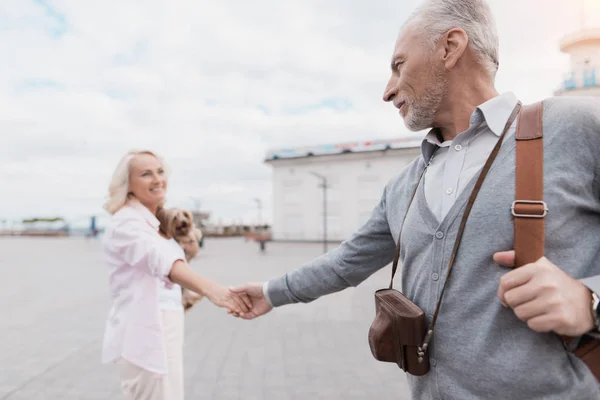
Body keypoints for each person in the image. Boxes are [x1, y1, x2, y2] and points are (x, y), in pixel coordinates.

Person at [230, 0, 600, 398]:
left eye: (398, 65)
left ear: (450, 47)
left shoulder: (575, 127)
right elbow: (344, 263)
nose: (387, 91)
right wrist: (270, 292)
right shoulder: (403, 184)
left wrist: (590, 302)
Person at [101, 150, 252, 400]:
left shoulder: (151, 221)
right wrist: (213, 290)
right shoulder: (126, 223)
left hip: (164, 320)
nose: (158, 179)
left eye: (160, 171)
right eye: (146, 174)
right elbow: (158, 259)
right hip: (146, 327)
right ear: (128, 185)